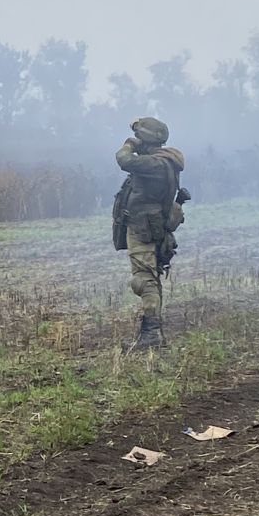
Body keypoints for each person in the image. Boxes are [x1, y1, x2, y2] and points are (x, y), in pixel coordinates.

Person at [114, 117, 187, 350]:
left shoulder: (155, 165)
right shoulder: (166, 162)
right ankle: (153, 333)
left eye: (139, 137)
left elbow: (124, 160)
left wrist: (129, 145)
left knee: (144, 280)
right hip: (150, 225)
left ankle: (151, 335)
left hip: (143, 228)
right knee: (150, 277)